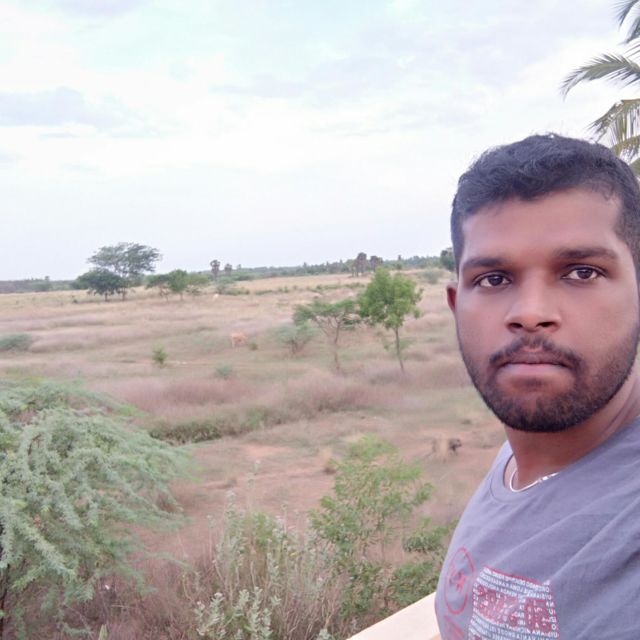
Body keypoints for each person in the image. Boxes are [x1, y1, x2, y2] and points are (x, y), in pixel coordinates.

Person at [434, 133, 640, 640]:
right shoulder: (522, 451)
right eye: (494, 279)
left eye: (581, 272)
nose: (530, 313)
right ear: (457, 306)